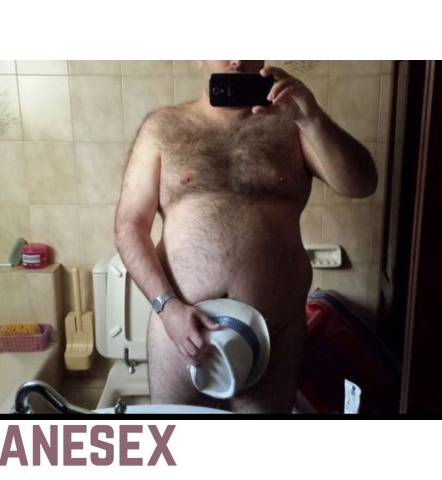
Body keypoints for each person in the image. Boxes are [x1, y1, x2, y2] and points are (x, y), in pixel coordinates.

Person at [114, 60, 377, 413]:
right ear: (199, 57)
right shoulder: (162, 129)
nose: (237, 59)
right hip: (178, 331)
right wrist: (168, 308)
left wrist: (311, 116)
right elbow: (129, 226)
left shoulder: (293, 127)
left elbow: (361, 184)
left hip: (274, 336)